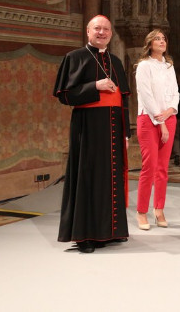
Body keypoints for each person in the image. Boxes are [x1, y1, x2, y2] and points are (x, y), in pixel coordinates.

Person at [53, 15, 131, 253]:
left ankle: (110, 231)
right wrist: (95, 86)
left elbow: (124, 100)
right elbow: (65, 95)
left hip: (114, 129)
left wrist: (126, 133)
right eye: (97, 28)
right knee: (88, 179)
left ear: (111, 34)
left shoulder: (116, 61)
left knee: (111, 179)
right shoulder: (74, 57)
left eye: (106, 29)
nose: (102, 32)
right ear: (88, 31)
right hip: (88, 128)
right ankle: (85, 235)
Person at [134, 30, 179, 230]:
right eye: (157, 39)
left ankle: (159, 209)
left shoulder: (169, 66)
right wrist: (160, 121)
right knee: (149, 167)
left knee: (162, 168)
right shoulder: (144, 66)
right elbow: (146, 95)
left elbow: (175, 92)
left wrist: (170, 111)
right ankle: (141, 211)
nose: (162, 41)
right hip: (149, 119)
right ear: (149, 44)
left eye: (163, 39)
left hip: (169, 118)